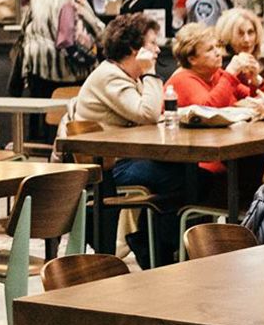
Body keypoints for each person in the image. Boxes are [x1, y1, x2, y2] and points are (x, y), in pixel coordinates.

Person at [60, 14, 188, 263]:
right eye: (152, 43)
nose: (158, 48)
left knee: (190, 174)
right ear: (134, 49)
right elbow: (147, 113)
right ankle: (151, 246)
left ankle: (156, 245)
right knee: (184, 178)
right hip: (110, 166)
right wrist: (151, 73)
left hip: (129, 158)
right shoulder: (109, 76)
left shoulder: (127, 77)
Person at [21, 0, 106, 98]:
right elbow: (97, 28)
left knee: (40, 111)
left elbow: (24, 30)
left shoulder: (35, 2)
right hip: (71, 68)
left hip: (38, 69)